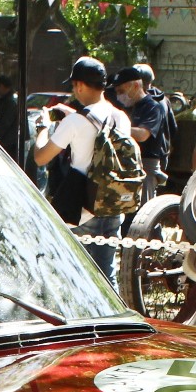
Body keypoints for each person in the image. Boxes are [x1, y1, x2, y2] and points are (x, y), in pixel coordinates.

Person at [32, 55, 129, 280]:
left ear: (80, 85)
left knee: (78, 277)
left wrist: (42, 128)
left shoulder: (74, 122)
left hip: (84, 209)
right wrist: (74, 116)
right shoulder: (120, 117)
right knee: (106, 274)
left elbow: (40, 157)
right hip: (112, 204)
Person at [111, 65, 170, 201]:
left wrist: (116, 128)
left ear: (136, 86)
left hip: (145, 167)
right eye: (117, 92)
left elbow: (143, 134)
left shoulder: (153, 107)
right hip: (125, 164)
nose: (119, 96)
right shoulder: (127, 108)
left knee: (141, 216)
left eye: (122, 91)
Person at [0, 74, 22, 162]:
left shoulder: (10, 101)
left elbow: (5, 123)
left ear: (2, 86)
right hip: (11, 141)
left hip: (9, 142)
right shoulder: (12, 99)